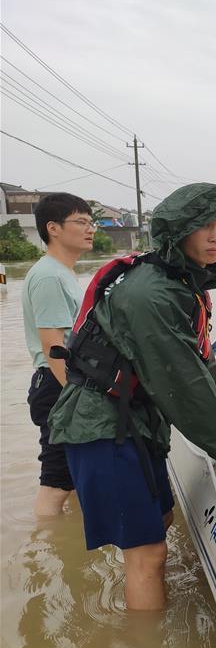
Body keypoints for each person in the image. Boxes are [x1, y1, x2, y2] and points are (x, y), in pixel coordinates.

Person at [48, 183, 216, 611]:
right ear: (179, 231)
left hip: (135, 420)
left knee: (161, 519)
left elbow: (196, 366)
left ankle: (140, 601)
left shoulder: (178, 280)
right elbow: (180, 378)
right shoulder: (152, 292)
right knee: (148, 554)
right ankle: (144, 640)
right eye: (206, 227)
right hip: (102, 425)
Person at [22, 192, 95, 516]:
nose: (90, 229)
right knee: (57, 481)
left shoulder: (62, 272)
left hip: (64, 383)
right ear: (53, 228)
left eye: (91, 222)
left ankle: (74, 541)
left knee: (76, 477)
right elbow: (53, 346)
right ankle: (44, 541)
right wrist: (76, 395)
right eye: (81, 221)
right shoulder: (50, 275)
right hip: (58, 385)